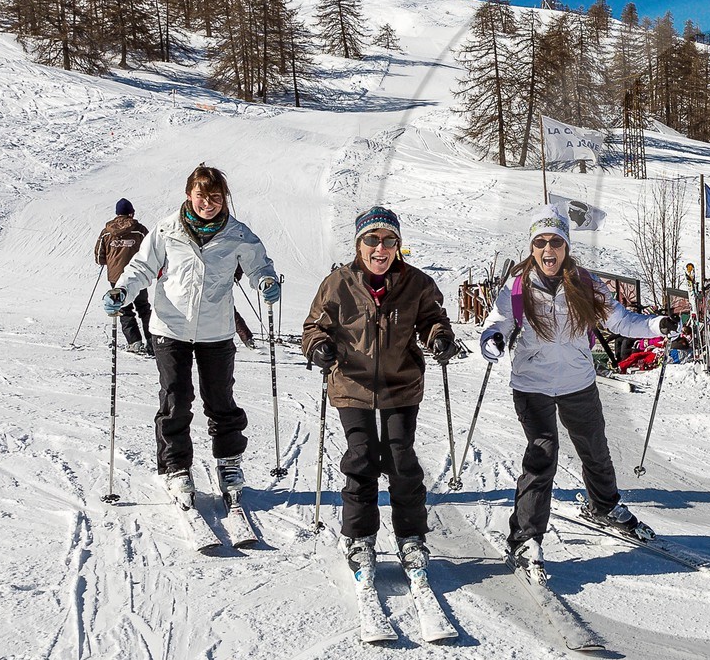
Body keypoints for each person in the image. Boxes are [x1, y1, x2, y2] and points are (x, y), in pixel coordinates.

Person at [479, 206, 669, 579]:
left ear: (566, 246)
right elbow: (498, 321)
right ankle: (525, 538)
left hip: (577, 382)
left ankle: (604, 505)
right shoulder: (517, 286)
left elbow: (621, 320)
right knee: (542, 455)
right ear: (532, 247)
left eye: (556, 242)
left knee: (595, 449)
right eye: (540, 242)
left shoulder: (586, 284)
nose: (548, 249)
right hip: (532, 385)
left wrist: (657, 324)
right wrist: (493, 339)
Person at [104, 165, 279, 508]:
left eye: (216, 197)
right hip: (170, 328)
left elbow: (260, 266)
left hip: (216, 330)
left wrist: (267, 282)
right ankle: (176, 466)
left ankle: (228, 463)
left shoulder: (237, 234)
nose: (208, 203)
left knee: (220, 400)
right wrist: (123, 290)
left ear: (224, 198)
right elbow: (140, 267)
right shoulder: (167, 230)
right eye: (201, 196)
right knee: (176, 399)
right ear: (189, 195)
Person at [303, 207, 455, 574]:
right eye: (372, 239)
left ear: (398, 245)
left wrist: (440, 337)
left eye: (389, 240)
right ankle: (359, 536)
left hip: (400, 384)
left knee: (401, 458)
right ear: (359, 244)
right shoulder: (337, 283)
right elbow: (313, 326)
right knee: (362, 457)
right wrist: (318, 346)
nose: (380, 248)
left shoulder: (415, 282)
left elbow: (433, 318)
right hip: (351, 384)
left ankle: (411, 536)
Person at [95, 198, 152, 356]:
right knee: (143, 308)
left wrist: (106, 261)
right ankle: (152, 341)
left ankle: (134, 342)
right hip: (138, 274)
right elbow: (150, 249)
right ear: (131, 213)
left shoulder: (107, 232)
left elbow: (99, 254)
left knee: (124, 309)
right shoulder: (139, 230)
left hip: (116, 276)